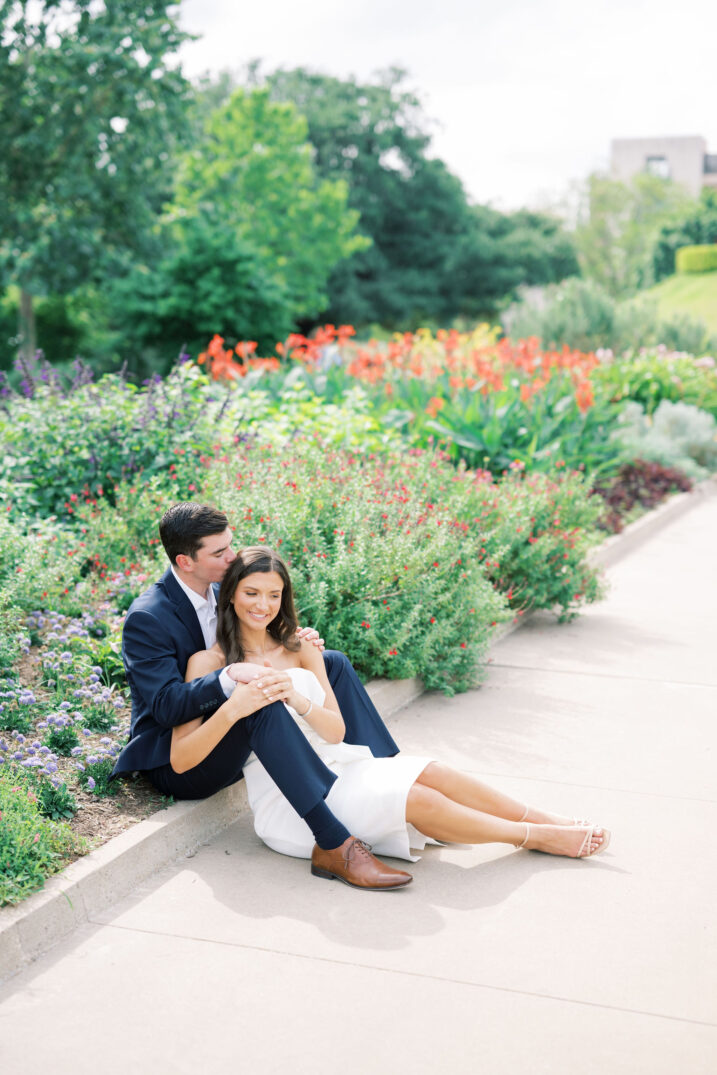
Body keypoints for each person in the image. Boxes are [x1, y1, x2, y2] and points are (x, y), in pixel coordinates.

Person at [176, 546, 611, 885]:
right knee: (418, 799)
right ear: (230, 594)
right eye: (251, 593)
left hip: (340, 764)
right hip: (290, 800)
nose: (263, 605)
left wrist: (298, 699)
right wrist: (236, 706)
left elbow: (336, 731)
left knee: (431, 771)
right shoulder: (208, 664)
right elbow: (182, 757)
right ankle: (534, 838)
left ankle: (542, 818)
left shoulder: (300, 646)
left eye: (274, 595)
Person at [111, 502, 412, 890]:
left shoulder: (224, 584)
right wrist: (228, 677)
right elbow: (167, 706)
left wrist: (299, 643)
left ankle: (391, 776)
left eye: (230, 545)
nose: (232, 557)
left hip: (233, 731)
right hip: (181, 758)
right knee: (259, 698)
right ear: (186, 561)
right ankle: (334, 843)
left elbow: (261, 627)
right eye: (219, 553)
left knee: (331, 662)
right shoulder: (149, 617)